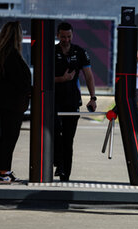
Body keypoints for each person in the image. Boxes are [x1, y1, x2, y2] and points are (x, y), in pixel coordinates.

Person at [54, 22, 97, 182]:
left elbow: (89, 76)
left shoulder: (80, 52)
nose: (66, 39)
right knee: (54, 133)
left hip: (72, 101)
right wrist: (62, 79)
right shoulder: (51, 51)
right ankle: (57, 161)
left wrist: (92, 98)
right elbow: (42, 79)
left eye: (69, 36)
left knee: (68, 138)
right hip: (53, 101)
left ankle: (65, 173)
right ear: (58, 35)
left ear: (72, 35)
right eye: (63, 36)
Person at [0, 21, 31, 183]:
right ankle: (3, 171)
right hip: (12, 105)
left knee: (4, 138)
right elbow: (20, 81)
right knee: (9, 138)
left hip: (5, 103)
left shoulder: (3, 53)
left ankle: (5, 170)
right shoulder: (12, 55)